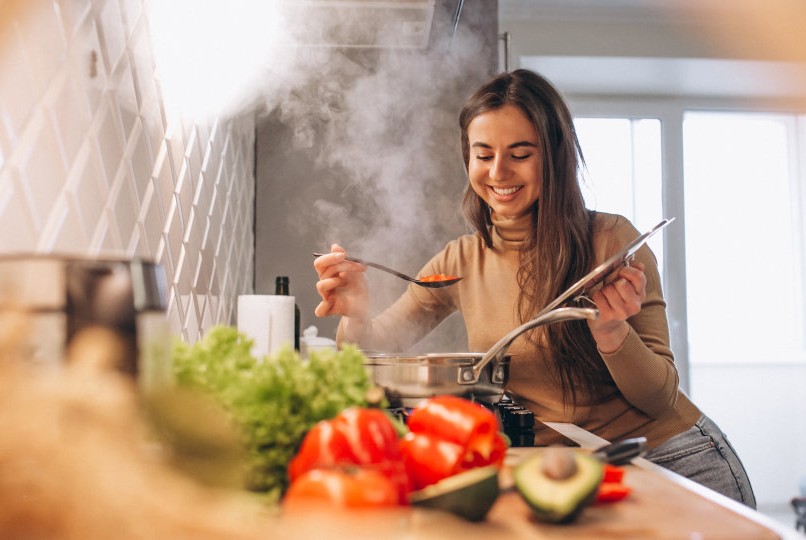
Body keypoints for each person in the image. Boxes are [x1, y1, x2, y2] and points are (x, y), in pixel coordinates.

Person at [312, 68, 756, 508]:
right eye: (483, 154)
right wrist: (355, 312)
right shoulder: (460, 260)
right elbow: (371, 349)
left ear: (555, 156)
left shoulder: (610, 241)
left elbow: (659, 399)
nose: (498, 171)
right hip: (568, 471)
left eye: (520, 154)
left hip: (670, 459)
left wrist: (612, 333)